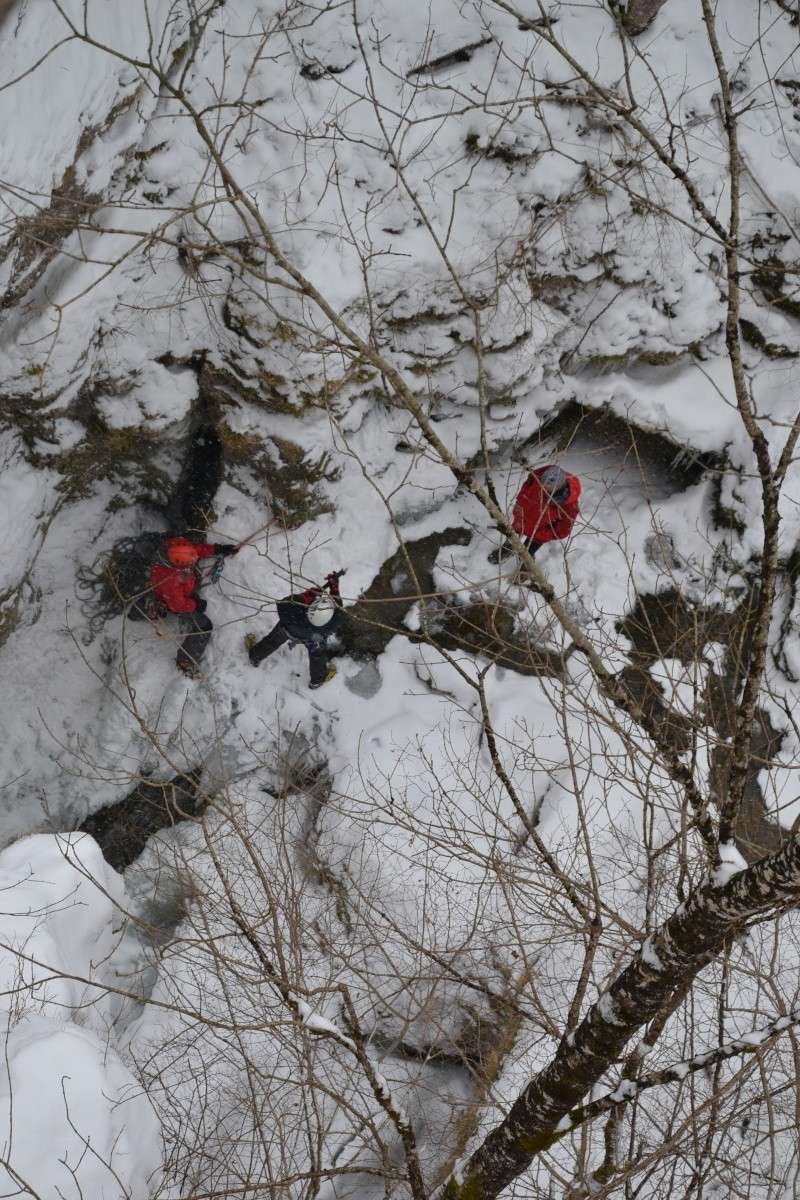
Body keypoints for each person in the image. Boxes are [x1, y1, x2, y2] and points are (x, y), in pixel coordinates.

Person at [128, 535, 240, 677]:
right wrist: (195, 605)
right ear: (179, 565)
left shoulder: (177, 548)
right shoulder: (171, 580)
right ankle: (185, 660)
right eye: (190, 564)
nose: (194, 562)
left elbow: (196, 550)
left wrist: (219, 549)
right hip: (170, 597)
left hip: (168, 591)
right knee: (204, 626)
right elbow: (178, 606)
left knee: (159, 598)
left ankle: (145, 606)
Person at [246, 571, 345, 689]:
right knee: (317, 655)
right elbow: (338, 606)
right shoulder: (331, 623)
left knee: (273, 640)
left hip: (290, 629)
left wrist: (306, 596)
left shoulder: (292, 612)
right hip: (313, 638)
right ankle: (317, 680)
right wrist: (334, 588)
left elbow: (285, 602)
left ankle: (255, 657)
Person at [488, 464, 581, 564]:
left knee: (527, 554)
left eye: (547, 488)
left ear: (558, 487)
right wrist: (518, 508)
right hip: (521, 521)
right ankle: (507, 550)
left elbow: (562, 531)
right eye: (542, 485)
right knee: (511, 538)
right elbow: (525, 491)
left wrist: (542, 533)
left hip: (538, 533)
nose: (542, 488)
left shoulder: (569, 506)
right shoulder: (537, 481)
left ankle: (527, 570)